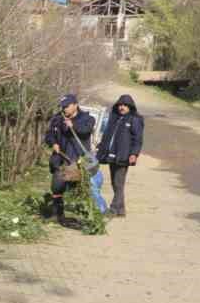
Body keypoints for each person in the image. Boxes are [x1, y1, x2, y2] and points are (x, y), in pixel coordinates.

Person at [44, 94, 96, 223]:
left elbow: (85, 131)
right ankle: (57, 214)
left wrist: (73, 126)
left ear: (75, 105)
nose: (64, 109)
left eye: (66, 106)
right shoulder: (57, 119)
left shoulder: (87, 119)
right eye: (62, 107)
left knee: (78, 189)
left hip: (77, 160)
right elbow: (49, 135)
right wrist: (53, 143)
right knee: (56, 186)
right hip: (61, 159)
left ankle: (86, 215)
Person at [96, 94, 143, 217]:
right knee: (114, 182)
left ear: (130, 107)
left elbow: (138, 139)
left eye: (125, 105)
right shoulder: (114, 118)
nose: (122, 107)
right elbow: (107, 135)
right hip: (112, 155)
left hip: (124, 155)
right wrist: (101, 147)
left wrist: (134, 154)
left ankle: (113, 208)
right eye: (120, 105)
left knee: (118, 182)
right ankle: (121, 210)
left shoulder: (135, 119)